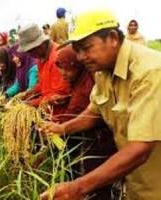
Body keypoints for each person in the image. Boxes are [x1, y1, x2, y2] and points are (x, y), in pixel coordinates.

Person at [39, 9, 161, 200]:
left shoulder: (150, 72)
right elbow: (94, 112)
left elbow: (141, 147)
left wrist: (78, 187)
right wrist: (61, 128)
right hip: (135, 180)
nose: (80, 57)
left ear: (112, 38)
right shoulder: (102, 71)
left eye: (86, 48)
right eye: (77, 50)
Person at [52, 45, 117, 199]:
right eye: (60, 69)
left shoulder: (91, 83)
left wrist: (61, 127)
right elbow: (90, 109)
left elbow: (93, 114)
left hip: (102, 141)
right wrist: (61, 126)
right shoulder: (83, 81)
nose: (63, 74)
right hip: (88, 138)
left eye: (67, 69)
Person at [17, 23, 70, 108]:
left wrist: (28, 104)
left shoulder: (57, 58)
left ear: (40, 45)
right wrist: (31, 92)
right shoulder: (41, 58)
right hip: (48, 110)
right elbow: (43, 84)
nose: (29, 55)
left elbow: (59, 95)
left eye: (30, 51)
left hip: (60, 114)